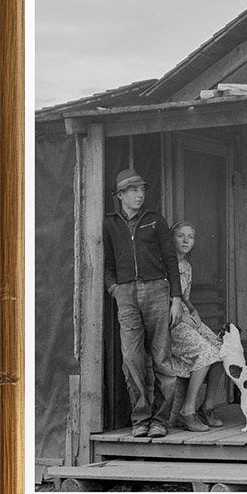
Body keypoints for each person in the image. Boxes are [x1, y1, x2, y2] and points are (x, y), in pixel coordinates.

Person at [103, 169, 183, 439]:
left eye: (142, 190)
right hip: (126, 294)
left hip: (157, 290)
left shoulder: (156, 221)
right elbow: (107, 262)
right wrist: (115, 289)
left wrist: (176, 298)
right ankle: (140, 419)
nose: (139, 195)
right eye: (133, 190)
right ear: (121, 195)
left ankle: (160, 420)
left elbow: (171, 260)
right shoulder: (110, 224)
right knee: (132, 358)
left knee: (162, 358)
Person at [168, 221, 227, 432]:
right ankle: (187, 411)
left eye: (190, 237)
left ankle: (207, 406)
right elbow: (161, 298)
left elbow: (184, 297)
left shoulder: (186, 266)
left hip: (186, 316)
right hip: (171, 322)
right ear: (171, 238)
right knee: (207, 353)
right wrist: (182, 316)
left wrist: (193, 310)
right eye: (180, 236)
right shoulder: (164, 264)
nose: (185, 241)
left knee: (222, 348)